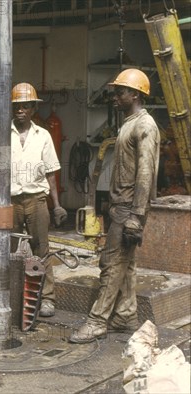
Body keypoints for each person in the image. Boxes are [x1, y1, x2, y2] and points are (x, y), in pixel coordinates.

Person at [69, 68, 160, 344]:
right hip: (122, 206)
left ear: (135, 94)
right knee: (126, 264)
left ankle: (98, 321)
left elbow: (146, 173)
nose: (115, 97)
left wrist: (136, 215)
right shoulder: (129, 123)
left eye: (120, 92)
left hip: (129, 208)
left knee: (111, 263)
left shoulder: (145, 126)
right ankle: (125, 315)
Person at [0, 82, 68, 318]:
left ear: (33, 109)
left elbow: (51, 172)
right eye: (17, 106)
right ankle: (6, 295)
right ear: (12, 109)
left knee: (42, 249)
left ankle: (47, 299)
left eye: (26, 106)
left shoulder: (43, 136)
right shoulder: (0, 134)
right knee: (6, 250)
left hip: (36, 200)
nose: (20, 110)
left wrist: (57, 204)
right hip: (9, 202)